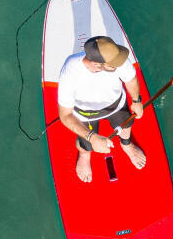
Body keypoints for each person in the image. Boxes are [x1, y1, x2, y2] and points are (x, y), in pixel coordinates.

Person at [56, 35, 147, 183]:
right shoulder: (70, 71)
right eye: (113, 65)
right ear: (96, 64)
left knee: (126, 125)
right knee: (86, 143)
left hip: (116, 103)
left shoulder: (116, 57)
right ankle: (85, 155)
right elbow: (65, 115)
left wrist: (136, 100)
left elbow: (130, 79)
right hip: (86, 113)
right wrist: (92, 137)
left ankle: (127, 145)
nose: (119, 65)